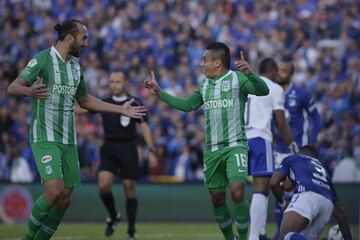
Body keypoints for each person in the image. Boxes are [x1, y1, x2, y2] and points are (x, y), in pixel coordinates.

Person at [6, 19, 146, 240]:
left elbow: (85, 100)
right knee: (53, 191)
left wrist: (120, 109)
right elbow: (13, 87)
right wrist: (29, 91)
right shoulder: (43, 59)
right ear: (69, 38)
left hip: (68, 139)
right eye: (84, 38)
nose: (87, 43)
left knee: (65, 199)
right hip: (45, 136)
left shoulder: (75, 67)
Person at [145, 42, 269, 240]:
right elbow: (187, 105)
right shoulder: (205, 85)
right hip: (211, 150)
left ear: (217, 62)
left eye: (205, 60)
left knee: (237, 192)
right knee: (217, 199)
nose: (201, 64)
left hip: (235, 145)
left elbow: (263, 91)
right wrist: (160, 93)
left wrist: (251, 73)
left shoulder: (237, 79)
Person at [236, 58, 296, 240]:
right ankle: (254, 237)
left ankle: (258, 232)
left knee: (238, 189)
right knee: (261, 189)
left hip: (239, 139)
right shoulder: (275, 88)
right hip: (259, 138)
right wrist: (293, 146)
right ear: (272, 73)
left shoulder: (244, 84)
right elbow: (281, 122)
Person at [96, 71, 157, 239]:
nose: (114, 84)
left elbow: (144, 126)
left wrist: (151, 149)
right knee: (103, 186)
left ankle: (131, 230)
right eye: (111, 81)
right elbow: (82, 107)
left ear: (125, 82)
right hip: (109, 146)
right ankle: (114, 215)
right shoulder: (104, 102)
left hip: (128, 147)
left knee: (129, 188)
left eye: (117, 81)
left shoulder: (134, 102)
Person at [273, 60, 322, 238]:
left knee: (296, 194)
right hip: (278, 151)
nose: (280, 73)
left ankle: (296, 233)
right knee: (278, 191)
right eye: (278, 70)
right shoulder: (273, 93)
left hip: (297, 151)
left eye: (284, 70)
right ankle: (281, 233)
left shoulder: (301, 94)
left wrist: (312, 144)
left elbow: (316, 119)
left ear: (291, 73)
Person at [270, 145, 352, 240]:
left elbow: (273, 183)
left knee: (285, 237)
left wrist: (283, 203)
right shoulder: (323, 171)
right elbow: (341, 215)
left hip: (307, 195)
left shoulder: (294, 158)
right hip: (327, 205)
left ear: (299, 153)